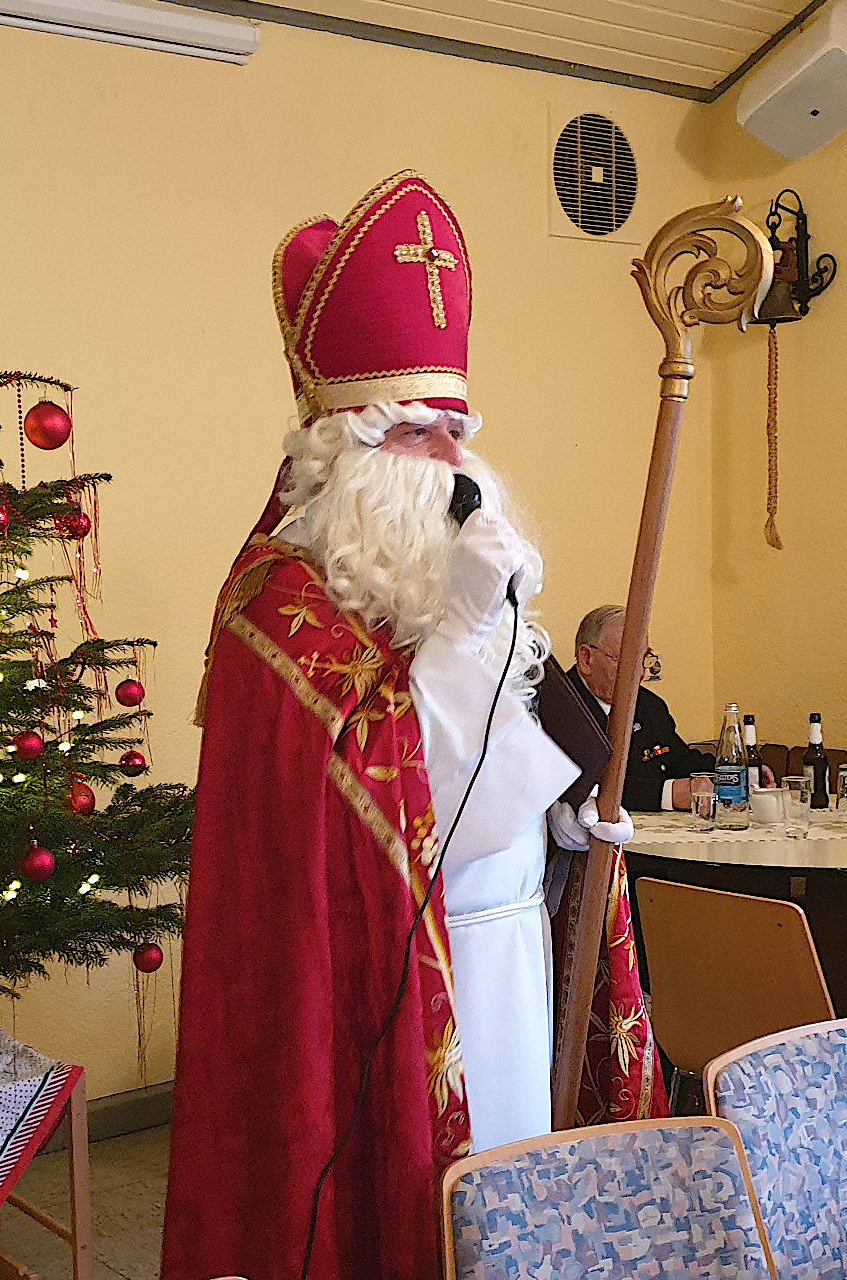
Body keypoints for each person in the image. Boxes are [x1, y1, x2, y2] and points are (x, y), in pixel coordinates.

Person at [161, 171, 645, 1280]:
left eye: (455, 428)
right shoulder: (274, 602)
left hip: (516, 946)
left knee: (523, 1198)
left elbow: (512, 764)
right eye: (413, 429)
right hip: (390, 990)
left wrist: (564, 826)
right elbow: (392, 805)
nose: (449, 457)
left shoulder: (467, 576)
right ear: (340, 445)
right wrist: (456, 638)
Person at [567, 605, 772, 811]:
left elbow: (678, 759)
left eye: (643, 659)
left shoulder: (649, 706)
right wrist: (669, 794)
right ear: (586, 659)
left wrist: (735, 774)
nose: (639, 673)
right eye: (627, 660)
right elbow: (585, 789)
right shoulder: (561, 708)